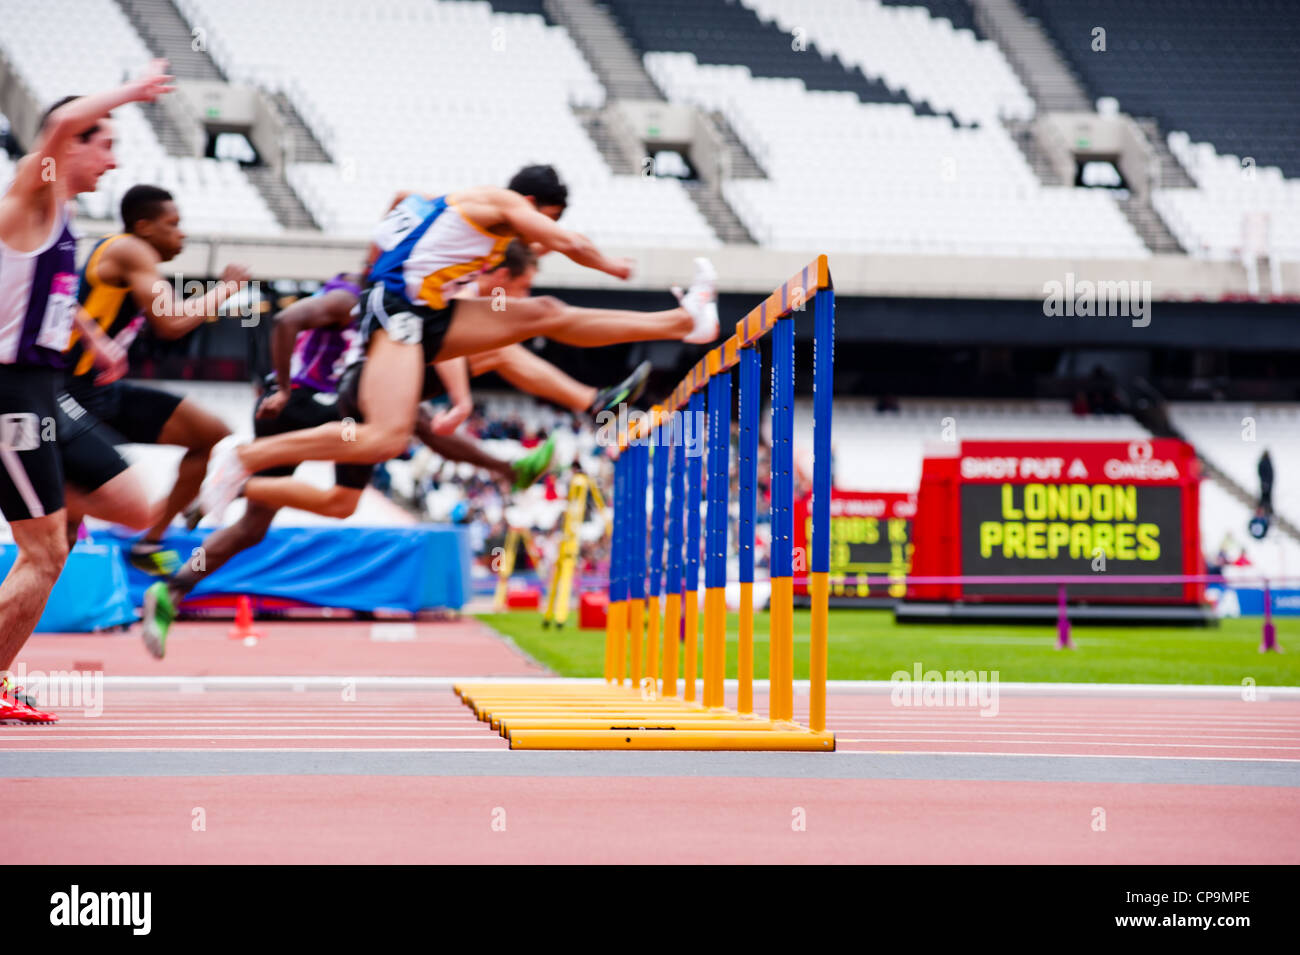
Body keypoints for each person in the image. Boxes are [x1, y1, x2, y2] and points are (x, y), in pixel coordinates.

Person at [199, 164, 718, 518]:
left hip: (427, 313)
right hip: (399, 315)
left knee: (544, 311)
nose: (538, 237)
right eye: (543, 220)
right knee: (385, 438)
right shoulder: (497, 204)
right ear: (532, 203)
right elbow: (565, 240)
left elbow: (401, 206)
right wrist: (609, 264)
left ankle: (683, 322)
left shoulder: (460, 218)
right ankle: (243, 459)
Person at [138, 273, 554, 658]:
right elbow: (286, 321)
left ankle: (174, 587)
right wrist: (281, 388)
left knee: (289, 518)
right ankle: (509, 469)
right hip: (308, 404)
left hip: (323, 407)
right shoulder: (352, 296)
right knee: (414, 420)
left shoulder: (395, 309)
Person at [0, 63, 175, 724]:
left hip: (45, 387)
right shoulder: (33, 190)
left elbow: (41, 290)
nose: (113, 159)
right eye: (105, 143)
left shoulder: (61, 217)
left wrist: (95, 339)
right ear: (70, 145)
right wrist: (132, 91)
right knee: (43, 550)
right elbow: (59, 121)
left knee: (131, 506)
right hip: (9, 393)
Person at [65, 183, 249, 572]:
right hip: (67, 394)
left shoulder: (136, 258)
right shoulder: (130, 249)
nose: (181, 232)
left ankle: (149, 544)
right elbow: (170, 321)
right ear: (145, 226)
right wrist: (225, 290)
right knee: (65, 528)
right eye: (173, 224)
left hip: (102, 390)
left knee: (210, 433)